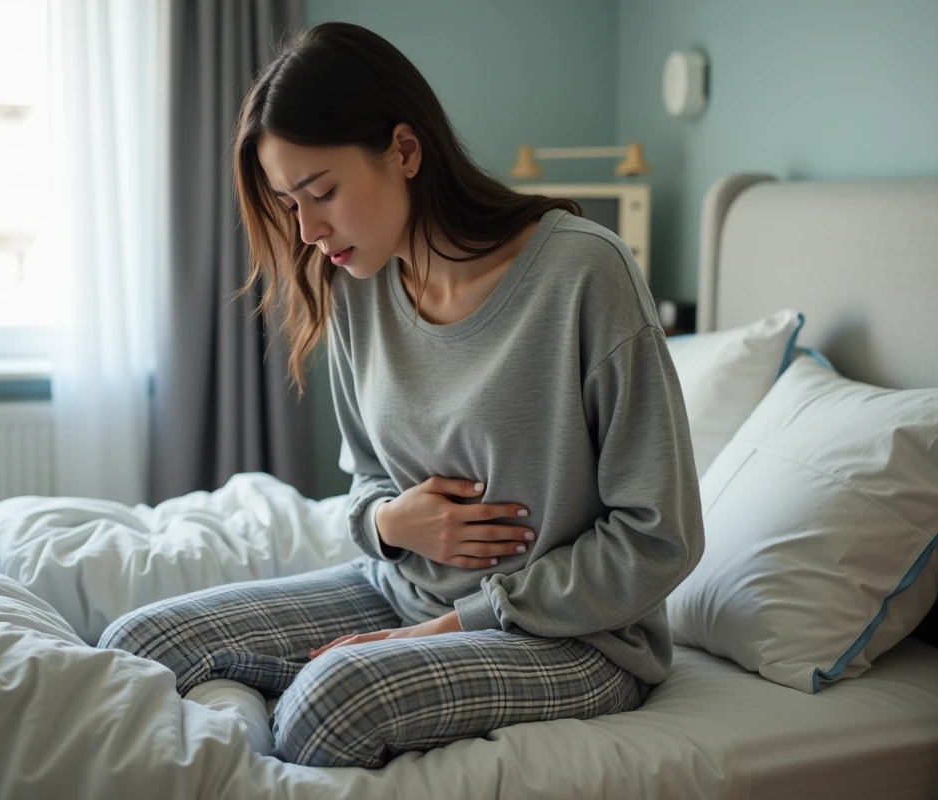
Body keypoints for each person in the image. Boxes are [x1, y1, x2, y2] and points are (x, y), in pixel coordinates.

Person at [99, 21, 704, 770]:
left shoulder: (584, 275)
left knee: (333, 703)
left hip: (575, 636)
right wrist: (391, 522)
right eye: (290, 204)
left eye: (322, 192)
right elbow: (368, 480)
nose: (309, 230)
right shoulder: (357, 284)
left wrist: (448, 629)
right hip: (402, 589)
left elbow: (659, 538)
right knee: (139, 647)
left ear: (405, 151)